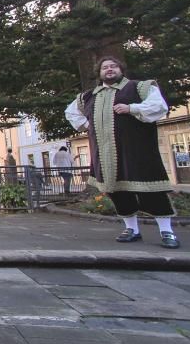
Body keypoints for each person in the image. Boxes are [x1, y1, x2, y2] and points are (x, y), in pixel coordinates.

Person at [65, 56, 179, 248]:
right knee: (117, 192)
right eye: (105, 68)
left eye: (113, 66)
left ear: (121, 69)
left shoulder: (139, 87)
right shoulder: (90, 95)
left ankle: (167, 231)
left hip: (137, 151)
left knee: (151, 190)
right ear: (99, 73)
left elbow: (158, 106)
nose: (109, 70)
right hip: (105, 153)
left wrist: (132, 108)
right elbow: (71, 112)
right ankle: (132, 229)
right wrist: (86, 124)